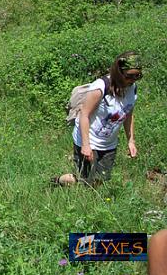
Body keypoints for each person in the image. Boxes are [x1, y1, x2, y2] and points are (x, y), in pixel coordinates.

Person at [54, 52, 142, 186]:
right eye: (129, 76)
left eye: (138, 75)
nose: (133, 79)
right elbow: (84, 114)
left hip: (108, 143)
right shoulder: (100, 87)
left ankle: (93, 197)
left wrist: (131, 141)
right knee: (84, 180)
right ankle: (58, 181)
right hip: (89, 138)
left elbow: (128, 114)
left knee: (101, 179)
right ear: (119, 72)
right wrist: (86, 145)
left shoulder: (132, 88)